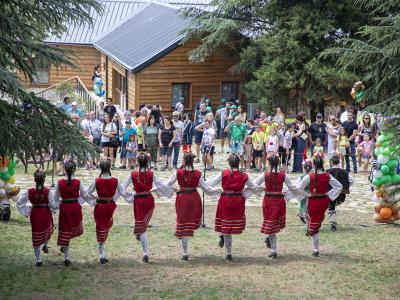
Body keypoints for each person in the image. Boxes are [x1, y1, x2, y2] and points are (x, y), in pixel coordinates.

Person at [205, 154, 259, 260]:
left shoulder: (224, 173)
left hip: (226, 201)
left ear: (229, 163)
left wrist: (202, 182)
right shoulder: (244, 175)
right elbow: (254, 187)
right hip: (238, 201)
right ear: (239, 163)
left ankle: (228, 252)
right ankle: (227, 249)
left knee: (226, 226)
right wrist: (263, 188)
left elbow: (211, 183)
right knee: (230, 226)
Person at [166, 152, 219, 260]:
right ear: (192, 161)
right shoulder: (197, 173)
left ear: (184, 160)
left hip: (182, 199)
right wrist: (218, 191)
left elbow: (166, 184)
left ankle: (185, 253)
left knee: (183, 223)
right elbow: (206, 188)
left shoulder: (178, 172)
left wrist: (173, 189)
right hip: (194, 198)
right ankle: (184, 251)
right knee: (187, 224)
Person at [122, 152, 172, 262]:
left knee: (142, 225)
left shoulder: (132, 174)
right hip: (149, 201)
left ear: (137, 162)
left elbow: (122, 188)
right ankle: (141, 236)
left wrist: (129, 196)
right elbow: (161, 185)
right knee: (143, 224)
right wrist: (170, 191)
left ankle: (145, 252)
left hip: (139, 201)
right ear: (147, 162)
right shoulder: (151, 174)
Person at [253, 155, 300, 258]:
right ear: (278, 163)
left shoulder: (265, 174)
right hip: (278, 201)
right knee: (272, 226)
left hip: (268, 201)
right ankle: (272, 247)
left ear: (269, 163)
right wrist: (302, 194)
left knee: (271, 225)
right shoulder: (283, 175)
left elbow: (254, 185)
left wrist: (262, 189)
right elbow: (293, 187)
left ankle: (273, 249)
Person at [86, 159, 130, 264]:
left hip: (100, 207)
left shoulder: (97, 180)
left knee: (101, 228)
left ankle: (102, 253)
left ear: (100, 167)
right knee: (104, 228)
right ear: (110, 167)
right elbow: (123, 192)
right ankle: (102, 255)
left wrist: (94, 199)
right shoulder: (115, 180)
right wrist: (134, 197)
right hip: (109, 207)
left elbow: (87, 192)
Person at [296, 155, 342, 256]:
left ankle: (315, 248)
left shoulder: (310, 176)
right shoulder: (327, 175)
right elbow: (339, 186)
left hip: (312, 201)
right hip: (323, 202)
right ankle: (315, 248)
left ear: (313, 165)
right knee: (316, 223)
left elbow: (298, 187)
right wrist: (329, 196)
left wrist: (306, 194)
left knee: (312, 222)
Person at [53, 160, 90, 266]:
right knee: (70, 231)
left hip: (65, 208)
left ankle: (66, 256)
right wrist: (93, 200)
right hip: (75, 208)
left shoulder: (60, 182)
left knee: (65, 231)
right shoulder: (78, 182)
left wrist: (54, 207)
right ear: (75, 169)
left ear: (64, 169)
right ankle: (66, 255)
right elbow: (85, 195)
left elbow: (55, 198)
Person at [17, 170, 55, 266]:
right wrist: (55, 207)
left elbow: (19, 203)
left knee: (36, 235)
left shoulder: (29, 191)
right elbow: (53, 204)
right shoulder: (48, 191)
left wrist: (27, 211)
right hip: (46, 213)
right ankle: (45, 244)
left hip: (35, 215)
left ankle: (38, 259)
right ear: (44, 180)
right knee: (48, 230)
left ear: (35, 180)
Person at [327, 155, 354, 232]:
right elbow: (352, 180)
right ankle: (332, 224)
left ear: (331, 162)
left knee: (331, 207)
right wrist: (344, 187)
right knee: (332, 207)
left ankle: (333, 225)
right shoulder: (344, 172)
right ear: (339, 162)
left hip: (330, 194)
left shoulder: (328, 171)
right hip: (341, 195)